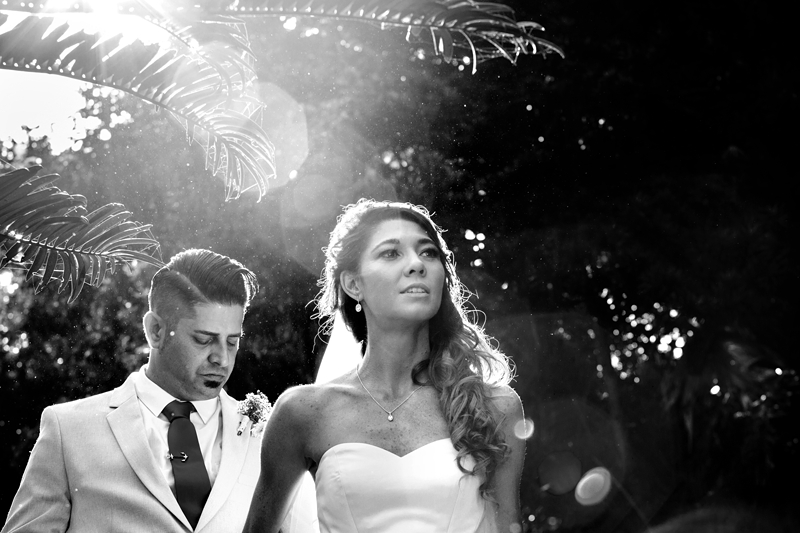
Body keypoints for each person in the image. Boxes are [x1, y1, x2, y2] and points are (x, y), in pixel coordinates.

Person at [244, 199, 527, 533]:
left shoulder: (495, 406)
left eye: (428, 253)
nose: (416, 265)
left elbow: (507, 525)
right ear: (353, 285)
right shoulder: (303, 412)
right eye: (391, 253)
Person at [2, 248, 307, 533]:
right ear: (155, 331)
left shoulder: (269, 439)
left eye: (232, 341)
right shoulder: (68, 430)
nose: (222, 358)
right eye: (204, 339)